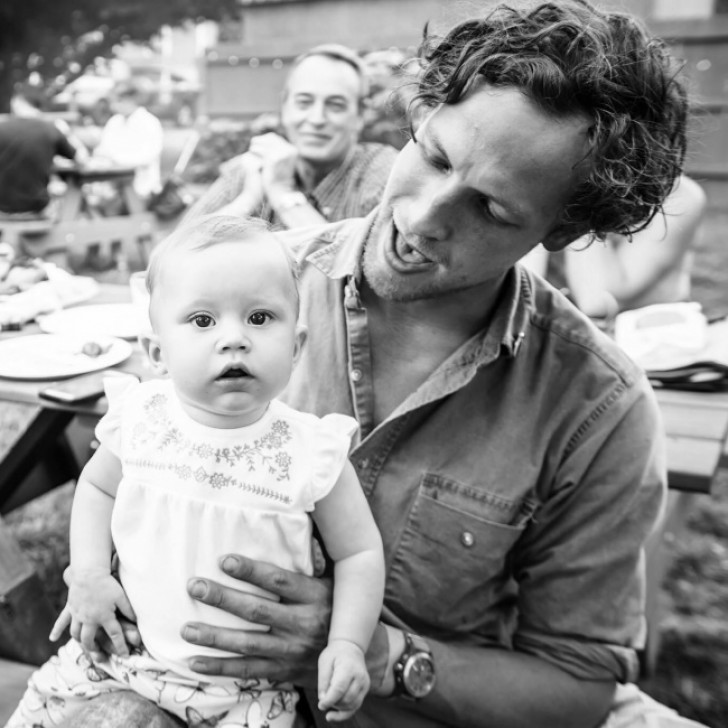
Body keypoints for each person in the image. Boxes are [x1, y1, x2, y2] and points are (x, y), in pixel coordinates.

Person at [52, 2, 711, 727]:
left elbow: (581, 687)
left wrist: (382, 656)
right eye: (432, 155)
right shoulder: (249, 293)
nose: (424, 217)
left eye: (490, 209)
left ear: (561, 229)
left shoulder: (598, 408)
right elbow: (124, 475)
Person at [8, 215, 385, 728]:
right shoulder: (142, 418)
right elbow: (96, 488)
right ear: (157, 353)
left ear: (296, 348)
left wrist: (346, 642)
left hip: (243, 693)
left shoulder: (311, 451)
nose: (234, 339)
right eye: (203, 321)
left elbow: (360, 553)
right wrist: (91, 572)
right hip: (120, 661)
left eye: (259, 318)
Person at [184, 44, 397, 229]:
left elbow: (353, 271)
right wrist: (247, 200)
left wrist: (282, 192)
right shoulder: (254, 167)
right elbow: (170, 255)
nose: (316, 119)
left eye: (335, 105)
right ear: (285, 106)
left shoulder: (382, 171)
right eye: (304, 102)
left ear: (360, 115)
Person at [522, 174, 708, 318]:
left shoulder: (679, 196)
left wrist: (585, 196)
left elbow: (596, 301)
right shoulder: (548, 181)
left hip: (649, 346)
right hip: (561, 339)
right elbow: (523, 294)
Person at [0, 83, 87, 219]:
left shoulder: (2, 127)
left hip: (2, 210)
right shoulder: (51, 129)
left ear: (16, 102)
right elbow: (81, 159)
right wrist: (66, 132)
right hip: (36, 208)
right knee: (64, 202)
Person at [92, 80, 164, 202]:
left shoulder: (149, 123)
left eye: (118, 101)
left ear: (131, 100)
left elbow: (148, 157)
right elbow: (102, 150)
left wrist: (116, 160)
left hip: (141, 187)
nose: (113, 106)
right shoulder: (114, 122)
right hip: (112, 186)